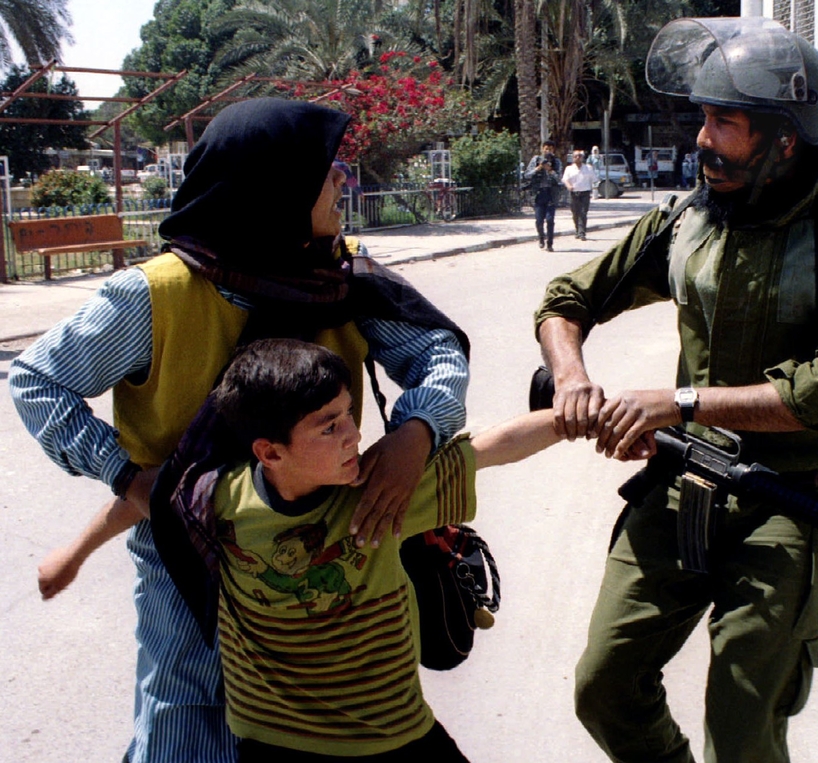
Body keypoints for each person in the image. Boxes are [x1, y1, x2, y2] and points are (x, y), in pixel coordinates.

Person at [10, 98, 470, 763]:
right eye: (324, 169)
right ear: (273, 191)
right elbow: (36, 379)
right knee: (184, 715)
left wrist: (418, 428)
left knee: (318, 726)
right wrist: (127, 477)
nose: (343, 178)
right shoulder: (155, 294)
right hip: (188, 552)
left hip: (316, 544)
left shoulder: (338, 273)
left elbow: (436, 351)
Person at [533, 17, 818, 763]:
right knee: (604, 685)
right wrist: (571, 375)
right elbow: (566, 299)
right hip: (684, 486)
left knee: (742, 733)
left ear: (785, 139)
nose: (702, 139)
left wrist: (677, 404)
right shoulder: (689, 218)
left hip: (790, 503)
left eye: (725, 123)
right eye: (703, 118)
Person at [38, 337, 565, 762]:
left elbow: (491, 446)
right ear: (270, 452)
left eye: (349, 414)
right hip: (272, 744)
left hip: (388, 737)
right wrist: (73, 555)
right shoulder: (220, 499)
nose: (353, 435)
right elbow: (142, 501)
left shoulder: (381, 491)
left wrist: (575, 420)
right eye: (329, 427)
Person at [524, 139, 563, 251]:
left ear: (553, 150)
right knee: (539, 220)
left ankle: (550, 243)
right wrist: (538, 168)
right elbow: (527, 175)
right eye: (546, 149)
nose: (548, 151)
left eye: (550, 149)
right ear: (542, 149)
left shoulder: (557, 162)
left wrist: (550, 170)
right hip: (538, 194)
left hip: (551, 194)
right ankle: (541, 237)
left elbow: (559, 179)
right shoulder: (536, 160)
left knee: (550, 219)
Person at [562, 149, 597, 240]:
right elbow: (565, 179)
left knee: (583, 212)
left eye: (580, 156)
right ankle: (577, 230)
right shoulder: (569, 169)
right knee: (575, 213)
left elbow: (594, 179)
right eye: (576, 156)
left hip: (585, 193)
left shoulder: (588, 168)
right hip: (574, 193)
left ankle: (582, 233)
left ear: (582, 158)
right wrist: (569, 186)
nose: (578, 158)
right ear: (573, 158)